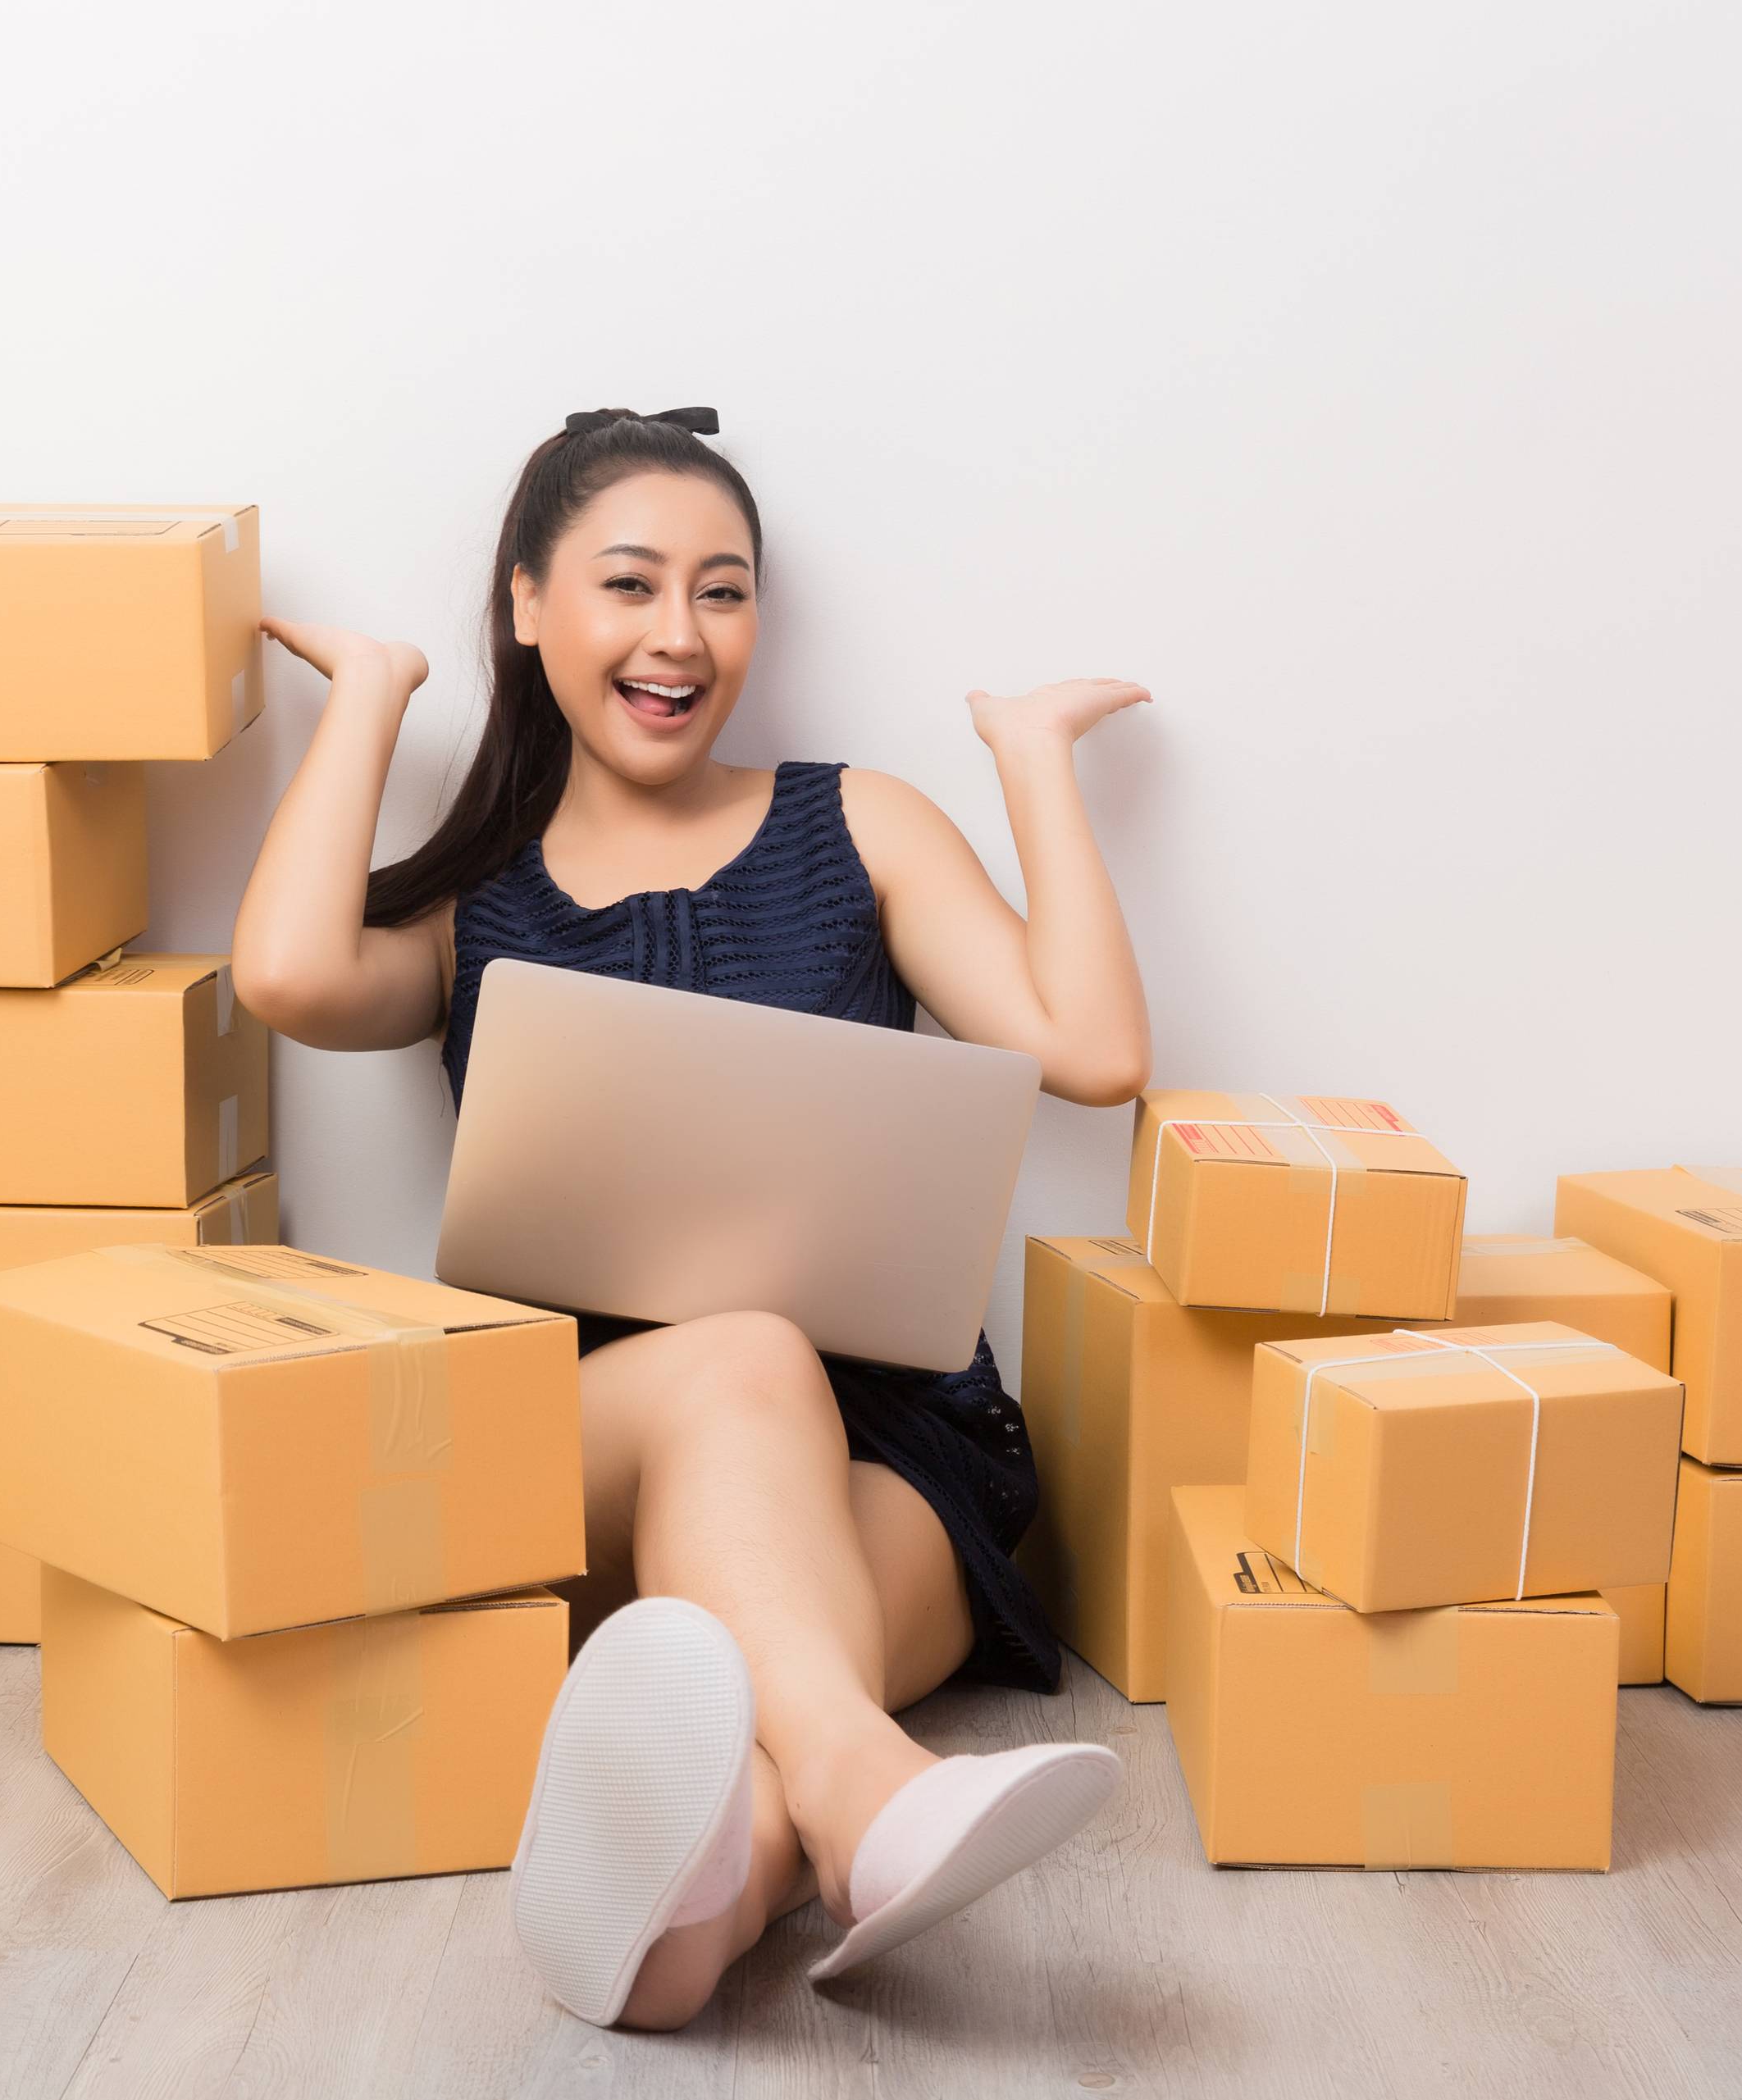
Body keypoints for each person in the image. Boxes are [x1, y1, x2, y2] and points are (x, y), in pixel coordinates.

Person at [229, 407, 1153, 2029]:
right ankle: (884, 1797)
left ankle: (695, 1932)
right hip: (585, 1446)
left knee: (764, 1718)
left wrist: (1032, 763)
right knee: (739, 1360)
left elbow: (1093, 1054)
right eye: (631, 585)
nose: (679, 636)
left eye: (722, 593)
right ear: (528, 607)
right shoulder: (478, 901)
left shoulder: (859, 824)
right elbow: (293, 972)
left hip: (901, 1455)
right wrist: (368, 703)